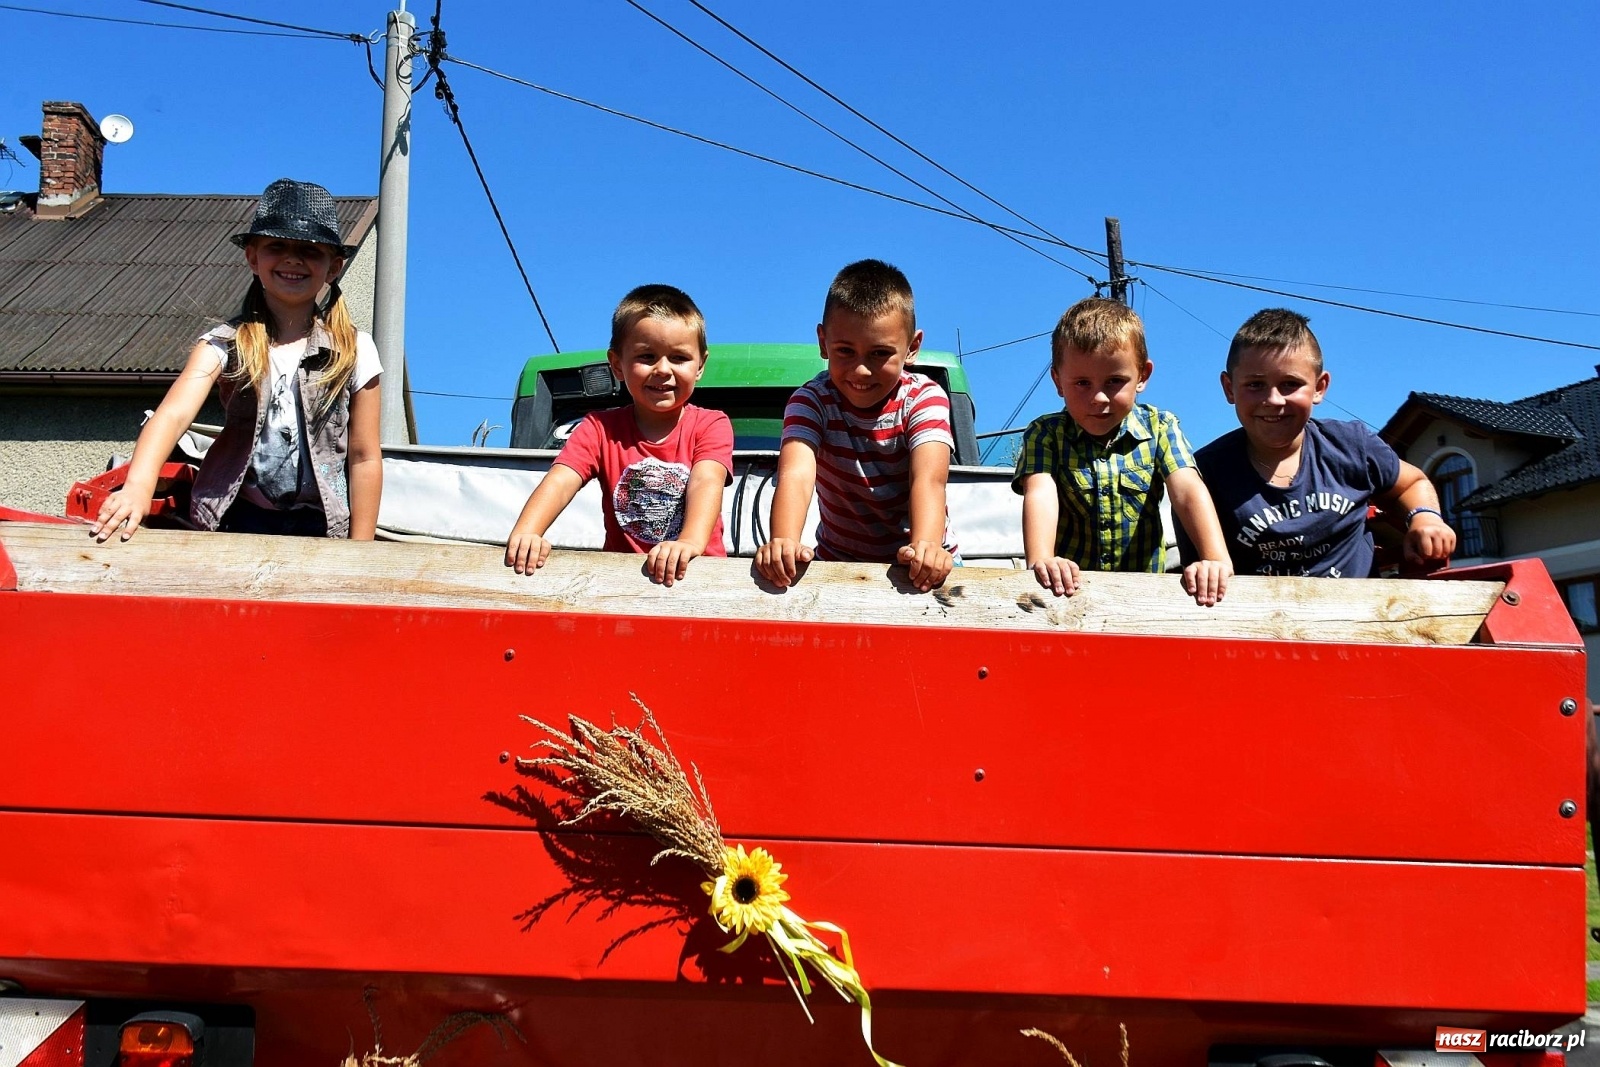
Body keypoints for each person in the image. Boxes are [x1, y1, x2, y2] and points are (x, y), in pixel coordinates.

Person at [91, 178, 382, 541]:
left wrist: (361, 547)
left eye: (310, 250)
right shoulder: (223, 345)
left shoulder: (355, 350)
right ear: (252, 258)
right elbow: (173, 415)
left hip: (320, 523)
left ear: (333, 267)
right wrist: (138, 485)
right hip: (240, 516)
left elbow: (364, 455)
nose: (293, 258)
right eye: (277, 245)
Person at [1176, 308, 1456, 577]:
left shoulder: (1351, 446)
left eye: (1290, 384)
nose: (1273, 400)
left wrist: (1425, 517)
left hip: (1359, 615)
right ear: (1229, 388)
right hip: (1257, 619)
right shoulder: (1204, 473)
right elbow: (1203, 564)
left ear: (1319, 387)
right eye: (1255, 385)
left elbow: (1412, 482)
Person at [505, 284, 733, 587]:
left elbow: (706, 480)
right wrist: (527, 532)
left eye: (679, 358)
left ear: (700, 366)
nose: (663, 369)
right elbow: (561, 481)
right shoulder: (598, 429)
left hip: (698, 577)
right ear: (617, 365)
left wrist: (690, 542)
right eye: (647, 356)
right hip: (624, 582)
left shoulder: (711, 424)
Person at [1013, 297, 1232, 606]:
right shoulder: (1045, 434)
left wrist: (1215, 558)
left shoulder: (1161, 427)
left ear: (1142, 376)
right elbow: (1040, 494)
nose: (1099, 397)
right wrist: (1042, 560)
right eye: (1082, 383)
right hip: (1069, 594)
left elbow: (1187, 490)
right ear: (1058, 381)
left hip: (1144, 597)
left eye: (1114, 381)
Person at [754, 259, 956, 593]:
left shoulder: (923, 399)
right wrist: (783, 542)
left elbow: (929, 480)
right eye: (845, 351)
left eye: (879, 354)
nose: (861, 370)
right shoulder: (811, 401)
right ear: (823, 342)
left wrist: (926, 548)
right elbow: (797, 475)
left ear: (913, 348)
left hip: (917, 558)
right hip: (838, 561)